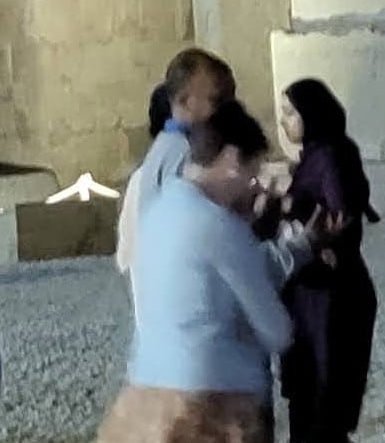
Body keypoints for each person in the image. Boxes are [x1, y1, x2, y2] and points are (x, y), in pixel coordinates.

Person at [107, 103, 292, 443]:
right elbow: (275, 329)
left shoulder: (156, 212)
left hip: (144, 397)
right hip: (213, 400)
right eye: (252, 175)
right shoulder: (219, 226)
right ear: (232, 161)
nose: (251, 188)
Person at [274, 80, 376, 443]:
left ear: (311, 115)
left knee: (322, 405)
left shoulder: (329, 157)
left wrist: (293, 212)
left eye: (290, 113)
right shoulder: (317, 156)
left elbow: (341, 216)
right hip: (312, 296)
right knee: (310, 403)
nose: (283, 121)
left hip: (329, 299)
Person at [121, 49, 236, 281]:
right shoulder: (184, 152)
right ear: (184, 100)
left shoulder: (165, 146)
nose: (231, 110)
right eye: (217, 100)